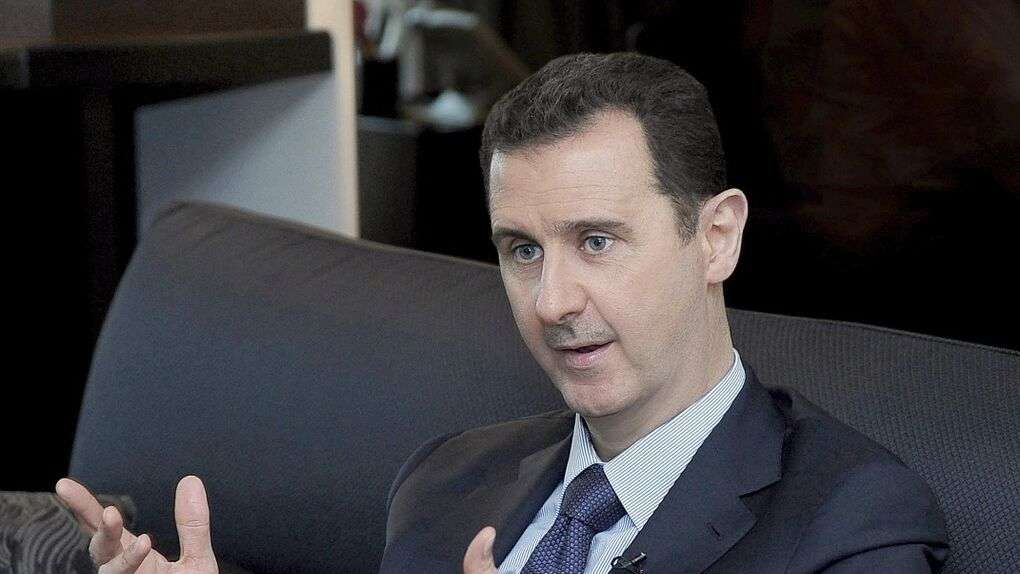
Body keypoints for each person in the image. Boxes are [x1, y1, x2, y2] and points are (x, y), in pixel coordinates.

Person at [56, 52, 949, 574]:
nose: (552, 301)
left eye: (596, 240)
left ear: (715, 238)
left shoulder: (853, 524)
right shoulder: (443, 483)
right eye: (522, 250)